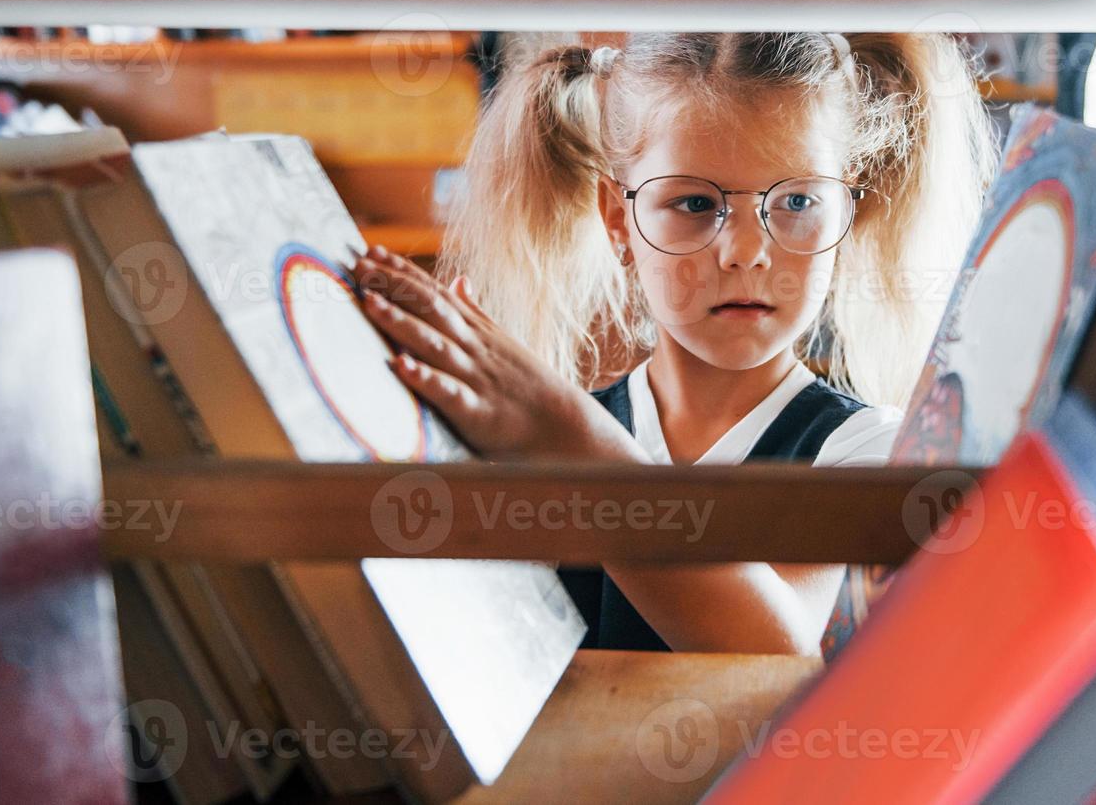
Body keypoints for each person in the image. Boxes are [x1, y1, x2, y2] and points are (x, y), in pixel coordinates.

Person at [354, 32, 996, 657]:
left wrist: (569, 443)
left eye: (797, 199)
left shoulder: (869, 453)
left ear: (847, 212)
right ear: (619, 220)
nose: (746, 250)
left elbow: (774, 648)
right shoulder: (542, 439)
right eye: (694, 202)